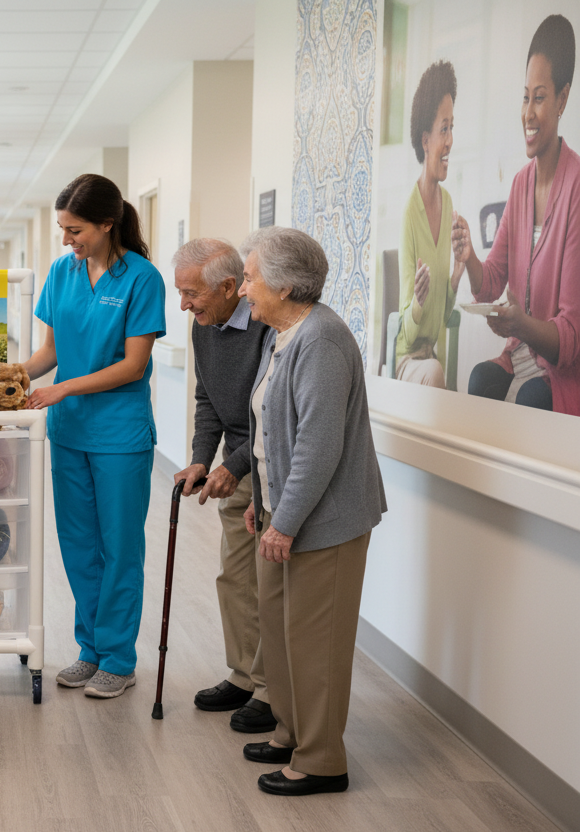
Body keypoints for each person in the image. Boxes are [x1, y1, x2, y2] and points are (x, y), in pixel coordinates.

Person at [236, 227, 386, 796]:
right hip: (284, 512)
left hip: (326, 521)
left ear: (284, 285)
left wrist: (285, 519)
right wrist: (264, 503)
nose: (243, 289)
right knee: (280, 632)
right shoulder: (282, 335)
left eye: (250, 279)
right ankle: (291, 732)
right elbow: (270, 433)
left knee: (316, 642)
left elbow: (317, 448)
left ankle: (322, 760)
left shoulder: (321, 340)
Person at [23, 173, 166, 700]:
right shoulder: (62, 273)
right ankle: (91, 649)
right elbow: (49, 353)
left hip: (119, 433)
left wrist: (62, 389)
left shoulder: (142, 278)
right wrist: (6, 376)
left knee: (119, 547)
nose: (66, 240)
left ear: (107, 224)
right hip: (70, 432)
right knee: (79, 545)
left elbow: (133, 365)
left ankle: (119, 658)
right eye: (62, 229)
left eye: (75, 230)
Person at [171, 238, 276, 733]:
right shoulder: (204, 327)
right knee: (235, 578)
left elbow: (271, 414)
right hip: (238, 466)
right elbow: (208, 400)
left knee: (270, 585)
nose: (184, 305)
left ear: (229, 286)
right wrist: (200, 459)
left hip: (270, 467)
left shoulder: (267, 327)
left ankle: (271, 690)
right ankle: (243, 676)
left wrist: (232, 466)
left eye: (191, 294)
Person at [453, 15, 580, 414]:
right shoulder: (521, 185)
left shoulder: (577, 188)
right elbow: (491, 281)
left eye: (539, 98)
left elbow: (570, 338)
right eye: (525, 97)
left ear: (562, 99)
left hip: (559, 373)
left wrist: (520, 324)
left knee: (530, 401)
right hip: (520, 356)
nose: (528, 112)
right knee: (480, 379)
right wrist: (470, 258)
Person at [396, 60, 464, 387]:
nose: (450, 140)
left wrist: (456, 276)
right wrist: (418, 303)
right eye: (443, 129)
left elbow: (444, 315)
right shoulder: (409, 214)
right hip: (407, 360)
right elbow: (407, 334)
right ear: (425, 141)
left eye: (452, 128)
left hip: (431, 359)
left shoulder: (448, 203)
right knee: (437, 373)